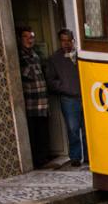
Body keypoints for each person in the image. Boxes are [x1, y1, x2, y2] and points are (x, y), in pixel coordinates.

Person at [46, 28, 88, 167]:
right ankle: (75, 157)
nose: (66, 44)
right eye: (63, 41)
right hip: (68, 99)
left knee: (87, 129)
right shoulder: (54, 59)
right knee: (73, 129)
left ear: (73, 41)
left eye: (69, 40)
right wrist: (65, 87)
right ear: (60, 42)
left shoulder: (80, 56)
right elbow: (51, 80)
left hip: (85, 97)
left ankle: (89, 156)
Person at [18, 26, 49, 168]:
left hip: (42, 103)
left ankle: (43, 159)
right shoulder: (20, 57)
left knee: (43, 133)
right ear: (20, 39)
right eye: (26, 37)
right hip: (30, 104)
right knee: (33, 134)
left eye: (31, 37)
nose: (29, 40)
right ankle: (36, 161)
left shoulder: (36, 55)